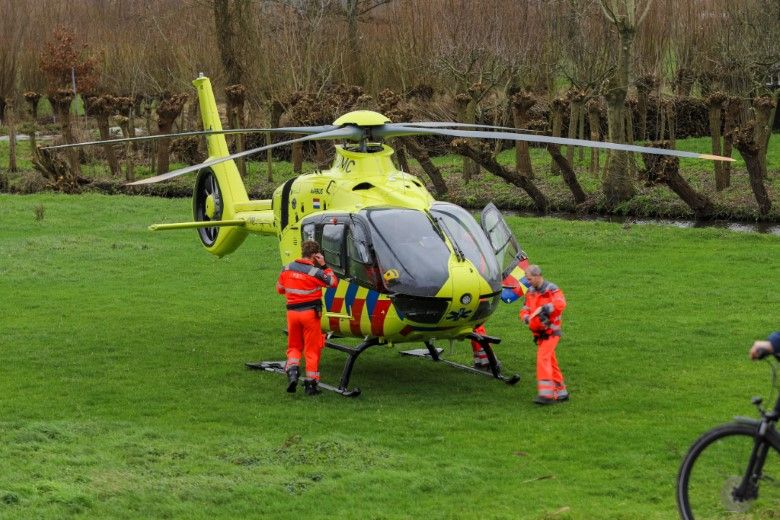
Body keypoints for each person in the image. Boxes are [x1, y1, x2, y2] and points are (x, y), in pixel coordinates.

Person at [276, 240, 338, 395]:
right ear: (315, 255)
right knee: (312, 349)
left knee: (294, 347)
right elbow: (333, 282)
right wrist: (324, 265)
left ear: (302, 252)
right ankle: (311, 385)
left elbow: (280, 289)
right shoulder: (315, 272)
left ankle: (293, 372)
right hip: (310, 315)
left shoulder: (287, 268)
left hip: (292, 314)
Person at [519, 264, 568, 405]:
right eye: (527, 279)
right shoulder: (530, 292)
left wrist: (546, 309)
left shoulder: (551, 290)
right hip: (539, 333)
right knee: (551, 361)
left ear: (538, 276)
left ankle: (546, 395)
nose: (528, 282)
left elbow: (561, 304)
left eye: (530, 279)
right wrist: (526, 317)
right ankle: (561, 392)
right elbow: (524, 309)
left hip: (551, 332)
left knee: (543, 358)